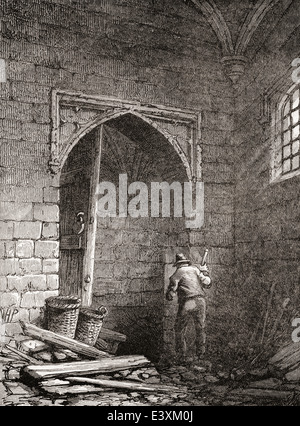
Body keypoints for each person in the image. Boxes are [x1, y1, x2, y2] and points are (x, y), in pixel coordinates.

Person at [166, 253, 211, 365]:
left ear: (178, 264)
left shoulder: (177, 273)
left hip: (188, 302)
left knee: (179, 329)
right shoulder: (195, 270)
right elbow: (207, 282)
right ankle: (200, 355)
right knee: (200, 328)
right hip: (200, 301)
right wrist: (205, 272)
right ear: (187, 262)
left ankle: (181, 356)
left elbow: (171, 294)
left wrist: (169, 293)